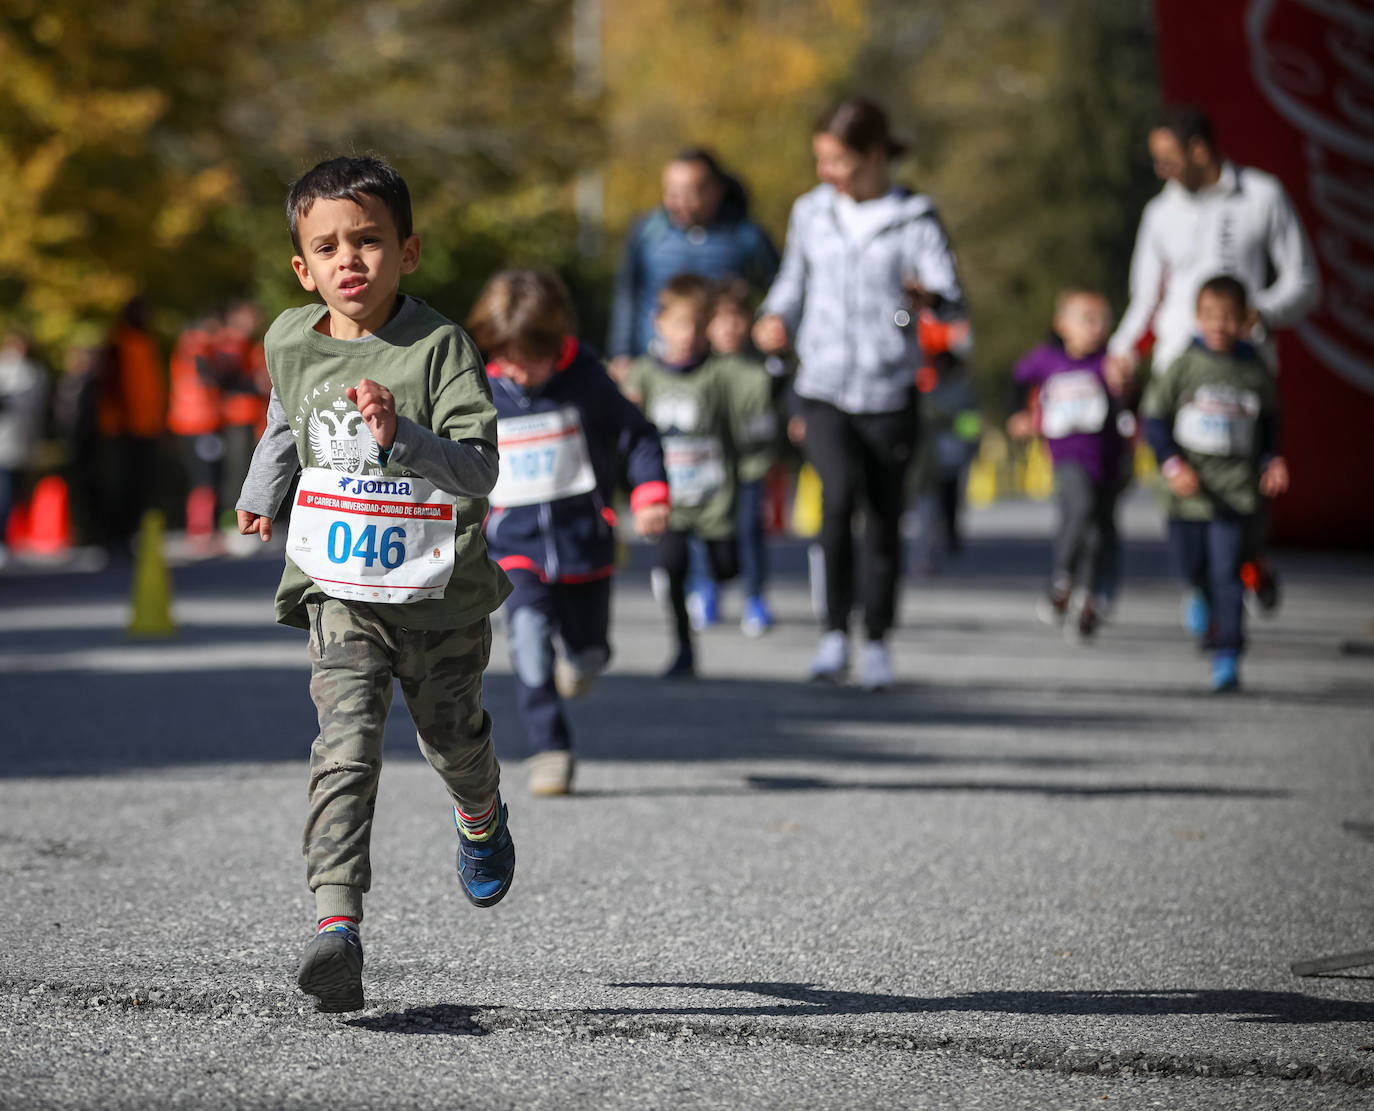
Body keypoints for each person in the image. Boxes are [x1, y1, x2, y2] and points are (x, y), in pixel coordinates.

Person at [233, 155, 513, 1013]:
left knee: (449, 740)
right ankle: (335, 929)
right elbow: (288, 419)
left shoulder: (438, 347)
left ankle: (481, 811)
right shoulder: (288, 338)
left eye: (369, 240)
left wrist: (405, 438)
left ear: (409, 249)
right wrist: (259, 491)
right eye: (328, 247)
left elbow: (481, 469)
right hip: (340, 589)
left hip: (438, 597)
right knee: (344, 750)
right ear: (303, 267)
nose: (350, 259)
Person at [755, 96, 966, 690]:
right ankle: (832, 635)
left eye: (838, 161)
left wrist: (929, 298)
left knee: (881, 518)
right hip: (822, 385)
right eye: (821, 160)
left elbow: (953, 296)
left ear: (873, 157)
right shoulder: (811, 212)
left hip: (890, 388)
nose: (828, 173)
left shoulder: (915, 217)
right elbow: (792, 281)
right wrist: (773, 317)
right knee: (837, 497)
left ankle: (876, 640)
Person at [1107, 105, 1318, 610]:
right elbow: (1145, 298)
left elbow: (1305, 283)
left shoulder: (1262, 196)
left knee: (1242, 499)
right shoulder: (1161, 211)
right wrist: (1119, 352)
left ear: (1199, 150)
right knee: (1183, 491)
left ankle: (1248, 562)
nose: (1162, 172)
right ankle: (1202, 586)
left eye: (1168, 159)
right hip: (1179, 373)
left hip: (1241, 373)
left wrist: (1258, 311)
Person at [467, 269, 669, 797]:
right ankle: (551, 748)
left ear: (557, 341)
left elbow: (639, 436)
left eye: (530, 357)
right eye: (506, 356)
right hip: (514, 547)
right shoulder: (483, 389)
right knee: (528, 639)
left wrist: (649, 493)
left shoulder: (588, 379)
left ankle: (584, 659)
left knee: (589, 651)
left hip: (585, 544)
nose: (519, 370)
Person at [622, 273, 773, 678]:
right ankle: (683, 646)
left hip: (716, 498)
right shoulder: (646, 374)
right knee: (673, 567)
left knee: (727, 566)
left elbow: (761, 388)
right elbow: (623, 415)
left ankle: (720, 581)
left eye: (695, 324)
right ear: (659, 324)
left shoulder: (723, 372)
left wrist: (776, 354)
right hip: (668, 497)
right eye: (678, 324)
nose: (686, 334)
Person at [1142, 275, 1287, 692]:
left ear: (1246, 320)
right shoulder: (1184, 363)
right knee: (1192, 566)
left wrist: (1272, 459)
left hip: (1235, 490)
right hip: (1187, 492)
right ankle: (1198, 594)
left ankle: (1228, 653)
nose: (1218, 325)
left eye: (1228, 318)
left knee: (1227, 572)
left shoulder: (1254, 367)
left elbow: (1271, 421)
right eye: (1209, 316)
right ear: (1196, 317)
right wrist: (1172, 464)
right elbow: (1154, 420)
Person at [1008, 290, 1125, 639]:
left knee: (1098, 530)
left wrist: (1126, 385)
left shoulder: (1109, 362)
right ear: (1062, 324)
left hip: (1107, 459)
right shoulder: (1046, 359)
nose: (1095, 328)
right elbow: (1016, 379)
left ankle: (1087, 599)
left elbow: (1130, 402)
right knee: (1080, 509)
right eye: (1087, 319)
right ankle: (1062, 582)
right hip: (1066, 456)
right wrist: (1017, 414)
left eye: (1102, 321)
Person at [607, 148, 779, 379]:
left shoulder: (745, 236)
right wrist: (621, 353)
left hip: (722, 371)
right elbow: (627, 292)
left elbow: (778, 286)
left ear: (715, 191)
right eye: (671, 192)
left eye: (688, 193)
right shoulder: (648, 232)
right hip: (656, 366)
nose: (676, 202)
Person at [705, 277, 781, 636]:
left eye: (737, 318)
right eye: (720, 319)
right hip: (707, 469)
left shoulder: (764, 366)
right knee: (705, 531)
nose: (729, 327)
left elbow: (786, 398)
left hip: (752, 463)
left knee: (751, 528)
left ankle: (755, 597)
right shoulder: (700, 367)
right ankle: (705, 587)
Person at [96, 297, 167, 555]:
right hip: (122, 428)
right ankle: (114, 537)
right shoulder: (117, 343)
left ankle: (131, 535)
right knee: (119, 485)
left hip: (145, 426)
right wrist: (116, 420)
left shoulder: (147, 343)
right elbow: (109, 387)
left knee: (139, 486)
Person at [909, 311, 977, 576]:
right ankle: (923, 556)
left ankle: (950, 536)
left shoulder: (962, 389)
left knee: (950, 500)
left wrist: (953, 427)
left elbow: (970, 424)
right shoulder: (924, 387)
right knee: (924, 507)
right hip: (926, 460)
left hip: (952, 455)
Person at [166, 312, 226, 549]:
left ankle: (201, 529)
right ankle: (203, 531)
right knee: (206, 479)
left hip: (186, 422)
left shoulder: (183, 348)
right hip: (201, 422)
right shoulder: (201, 347)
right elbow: (209, 377)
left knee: (200, 479)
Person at [0, 332, 48, 560]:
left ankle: (7, 538)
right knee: (6, 492)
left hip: (15, 443)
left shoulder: (31, 374)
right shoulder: (29, 374)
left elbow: (32, 411)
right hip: (11, 444)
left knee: (11, 494)